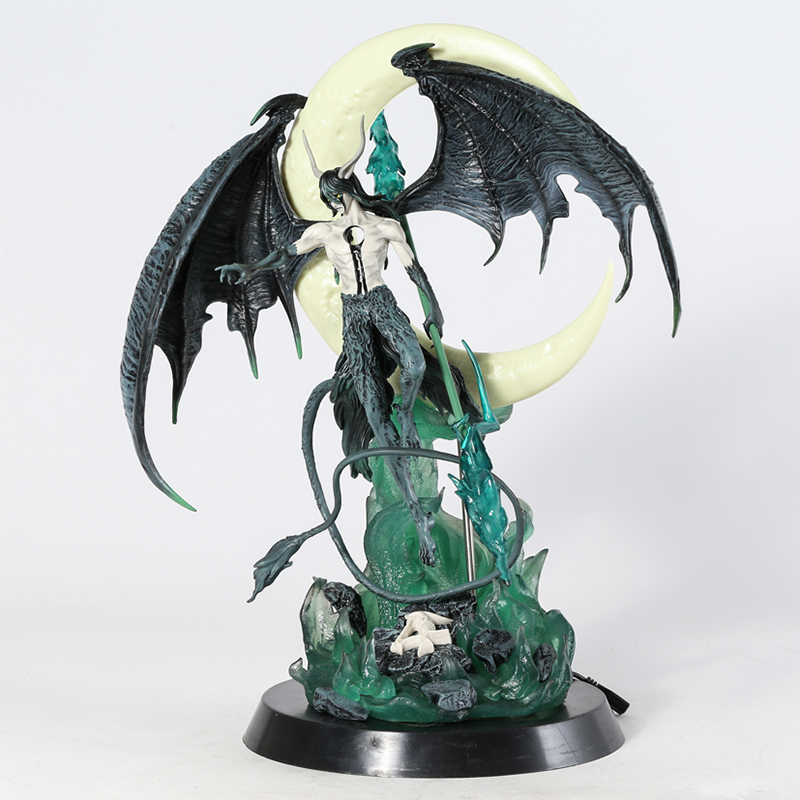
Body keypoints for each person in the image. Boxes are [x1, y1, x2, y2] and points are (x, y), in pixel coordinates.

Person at [218, 124, 443, 566]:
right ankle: (418, 517)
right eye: (328, 198)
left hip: (381, 302)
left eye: (335, 195)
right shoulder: (325, 233)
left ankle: (405, 410)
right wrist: (249, 269)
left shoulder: (385, 226)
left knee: (415, 365)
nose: (333, 203)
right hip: (353, 313)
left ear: (347, 189)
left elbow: (414, 269)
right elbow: (287, 253)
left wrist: (433, 308)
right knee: (375, 416)